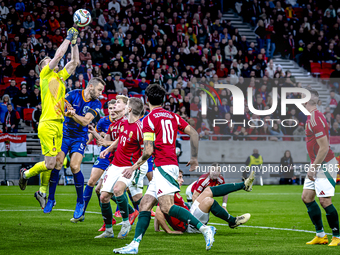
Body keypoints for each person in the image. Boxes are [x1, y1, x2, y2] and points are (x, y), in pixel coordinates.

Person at [113, 84, 216, 254]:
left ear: (147, 101)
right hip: (168, 165)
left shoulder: (148, 119)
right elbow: (195, 134)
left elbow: (148, 151)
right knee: (145, 204)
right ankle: (134, 245)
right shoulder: (173, 116)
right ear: (163, 99)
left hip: (163, 166)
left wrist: (134, 166)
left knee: (166, 207)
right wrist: (194, 157)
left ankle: (205, 229)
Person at [18, 27, 79, 210]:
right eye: (46, 61)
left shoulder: (59, 77)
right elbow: (59, 55)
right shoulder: (45, 75)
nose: (50, 61)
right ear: (42, 67)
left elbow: (74, 62)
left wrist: (75, 43)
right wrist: (68, 37)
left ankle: (42, 192)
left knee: (55, 162)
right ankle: (26, 174)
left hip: (59, 124)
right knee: (51, 162)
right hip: (48, 124)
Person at [44, 77, 105, 221]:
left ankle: (80, 202)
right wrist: (66, 111)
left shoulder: (97, 103)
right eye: (99, 90)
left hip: (79, 137)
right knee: (58, 163)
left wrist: (73, 114)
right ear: (90, 86)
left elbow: (85, 121)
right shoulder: (73, 94)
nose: (101, 93)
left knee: (74, 165)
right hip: (64, 134)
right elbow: (59, 106)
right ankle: (51, 199)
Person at [97, 98, 148, 239]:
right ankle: (108, 230)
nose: (118, 106)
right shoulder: (123, 123)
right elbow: (120, 139)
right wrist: (108, 149)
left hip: (129, 166)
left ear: (129, 109)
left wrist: (133, 168)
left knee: (118, 190)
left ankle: (126, 223)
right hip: (115, 164)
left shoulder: (140, 128)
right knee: (103, 197)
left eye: (125, 105)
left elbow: (146, 153)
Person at [154, 169, 254, 234]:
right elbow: (159, 211)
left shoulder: (171, 191)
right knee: (208, 201)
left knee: (208, 190)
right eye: (179, 178)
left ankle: (244, 185)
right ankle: (233, 221)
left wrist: (157, 229)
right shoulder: (168, 191)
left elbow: (161, 209)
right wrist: (169, 231)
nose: (182, 180)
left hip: (190, 215)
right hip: (189, 225)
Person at [301, 89, 340, 246]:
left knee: (324, 201)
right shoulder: (313, 117)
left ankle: (337, 236)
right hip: (317, 163)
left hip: (325, 164)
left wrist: (314, 167)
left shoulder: (316, 119)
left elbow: (324, 147)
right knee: (307, 197)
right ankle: (320, 235)